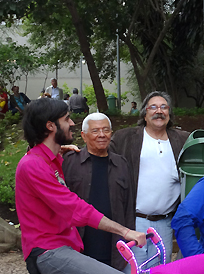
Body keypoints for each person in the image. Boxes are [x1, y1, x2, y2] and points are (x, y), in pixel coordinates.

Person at [15, 98, 145, 274]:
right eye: (66, 119)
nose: (72, 123)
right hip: (49, 250)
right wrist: (125, 231)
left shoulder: (54, 160)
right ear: (50, 126)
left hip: (67, 246)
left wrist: (58, 150)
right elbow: (75, 208)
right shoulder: (34, 164)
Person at [110, 91, 190, 267]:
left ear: (169, 113)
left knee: (160, 270)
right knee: (133, 269)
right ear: (144, 114)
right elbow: (101, 154)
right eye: (153, 107)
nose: (158, 111)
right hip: (134, 221)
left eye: (164, 107)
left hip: (165, 223)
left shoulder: (182, 140)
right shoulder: (126, 138)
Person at [62, 113, 134, 271]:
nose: (102, 135)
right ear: (84, 135)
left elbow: (129, 206)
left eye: (106, 130)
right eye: (95, 131)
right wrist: (57, 150)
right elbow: (39, 162)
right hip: (79, 245)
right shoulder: (69, 161)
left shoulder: (121, 164)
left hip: (114, 246)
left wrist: (129, 238)